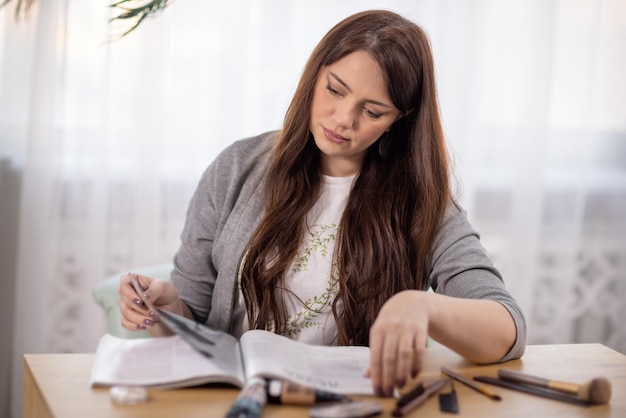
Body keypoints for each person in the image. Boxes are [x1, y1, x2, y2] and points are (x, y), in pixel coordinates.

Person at [118, 9, 526, 397]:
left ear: (400, 119)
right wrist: (169, 309)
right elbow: (193, 333)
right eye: (334, 89)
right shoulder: (236, 169)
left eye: (372, 111)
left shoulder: (421, 203)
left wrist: (421, 306)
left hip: (352, 405)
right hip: (237, 401)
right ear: (314, 76)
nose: (343, 119)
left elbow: (508, 331)